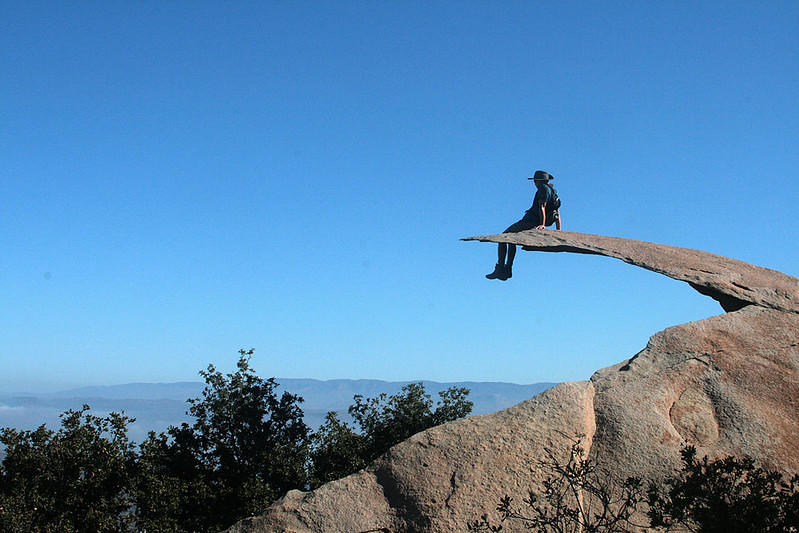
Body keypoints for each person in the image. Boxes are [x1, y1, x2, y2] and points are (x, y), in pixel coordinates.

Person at [486, 170, 562, 281]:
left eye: (535, 181)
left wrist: (542, 224)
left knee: (503, 237)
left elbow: (542, 206)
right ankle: (507, 269)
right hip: (537, 220)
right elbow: (557, 213)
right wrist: (558, 231)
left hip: (531, 221)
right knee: (511, 239)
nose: (534, 183)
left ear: (538, 181)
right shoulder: (553, 192)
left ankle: (502, 269)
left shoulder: (543, 189)